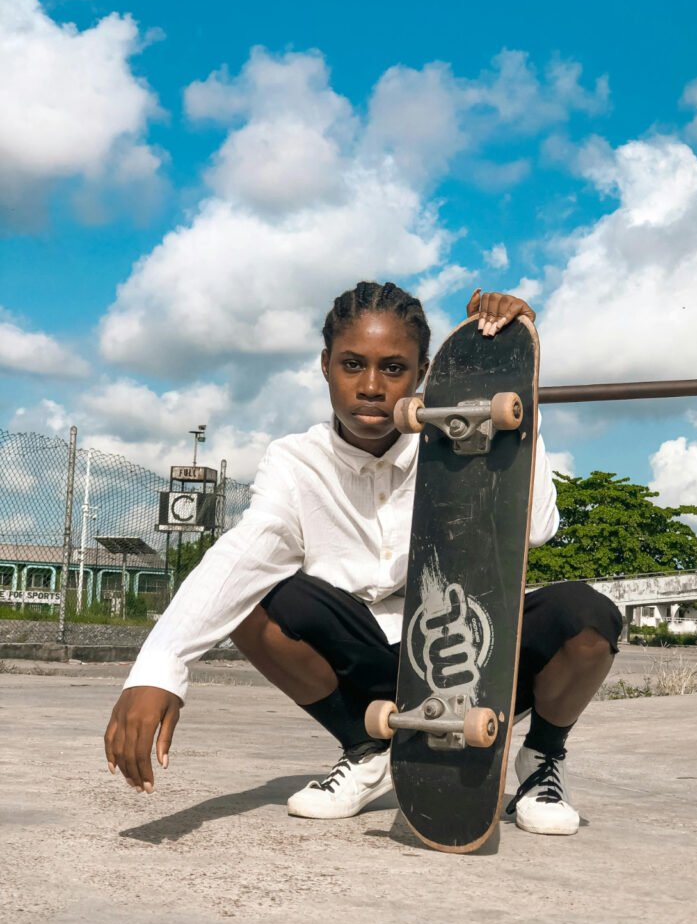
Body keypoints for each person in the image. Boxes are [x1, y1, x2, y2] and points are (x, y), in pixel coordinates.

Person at [104, 281, 622, 836]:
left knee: (589, 616)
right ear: (325, 366)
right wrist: (159, 668)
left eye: (393, 368)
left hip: (469, 654)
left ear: (423, 373)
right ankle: (367, 748)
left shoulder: (459, 441)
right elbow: (246, 551)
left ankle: (541, 759)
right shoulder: (294, 460)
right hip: (364, 664)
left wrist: (505, 395)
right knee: (256, 596)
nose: (371, 387)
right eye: (353, 365)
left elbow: (538, 529)